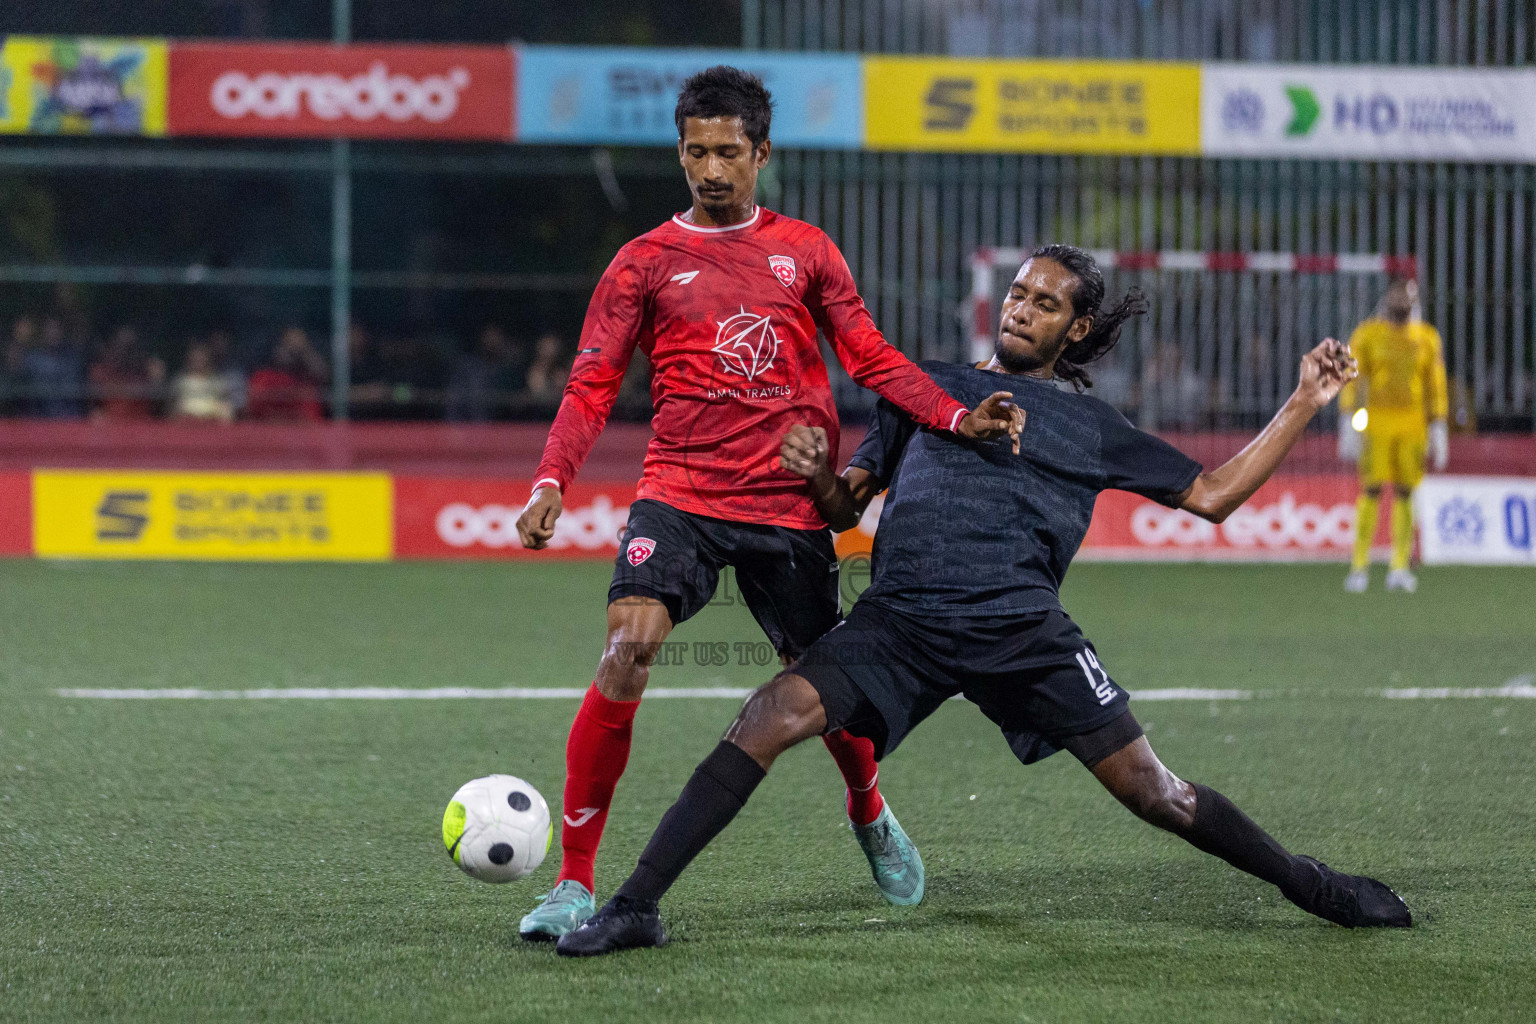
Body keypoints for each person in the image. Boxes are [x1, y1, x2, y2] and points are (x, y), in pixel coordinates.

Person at [556, 244, 1411, 958]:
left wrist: (1303, 401)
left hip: (1024, 633)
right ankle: (634, 907)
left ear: (1076, 328)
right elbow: (844, 509)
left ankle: (1314, 885)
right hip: (902, 622)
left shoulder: (1094, 427)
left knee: (1158, 795)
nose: (1021, 308)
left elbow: (1215, 495)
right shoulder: (925, 388)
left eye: (1045, 302)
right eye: (1017, 292)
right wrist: (818, 470)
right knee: (765, 716)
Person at [513, 65, 1015, 941]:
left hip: (787, 507)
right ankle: (573, 881)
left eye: (729, 152)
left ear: (761, 154)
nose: (711, 169)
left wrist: (953, 413)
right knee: (627, 650)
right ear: (680, 152)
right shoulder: (642, 262)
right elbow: (593, 383)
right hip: (679, 494)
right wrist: (551, 480)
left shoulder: (807, 251)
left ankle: (868, 808)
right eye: (696, 152)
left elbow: (870, 356)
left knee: (827, 691)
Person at [1338, 279, 1448, 594]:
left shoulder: (1426, 338)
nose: (1402, 303)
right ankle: (1359, 565)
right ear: (1388, 299)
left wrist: (1439, 423)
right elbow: (1352, 375)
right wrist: (1348, 417)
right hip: (1377, 422)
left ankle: (1399, 567)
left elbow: (1435, 382)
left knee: (1405, 492)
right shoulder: (1368, 334)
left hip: (1413, 424)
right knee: (1371, 489)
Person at [245, 326, 328, 422]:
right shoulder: (264, 378)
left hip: (302, 426)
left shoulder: (307, 384)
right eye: (291, 343)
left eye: (299, 344)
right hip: (267, 425)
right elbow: (254, 408)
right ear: (281, 344)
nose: (295, 347)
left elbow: (321, 374)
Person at [87, 325, 165, 421]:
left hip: (141, 425)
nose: (125, 352)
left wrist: (157, 382)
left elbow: (158, 410)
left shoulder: (147, 373)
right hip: (110, 425)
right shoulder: (100, 372)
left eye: (129, 348)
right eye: (121, 346)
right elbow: (93, 406)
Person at [171, 340, 235, 422]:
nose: (198, 361)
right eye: (195, 358)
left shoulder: (217, 381)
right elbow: (173, 407)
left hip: (212, 419)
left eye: (201, 358)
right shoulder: (180, 381)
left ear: (207, 359)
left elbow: (225, 404)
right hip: (187, 419)